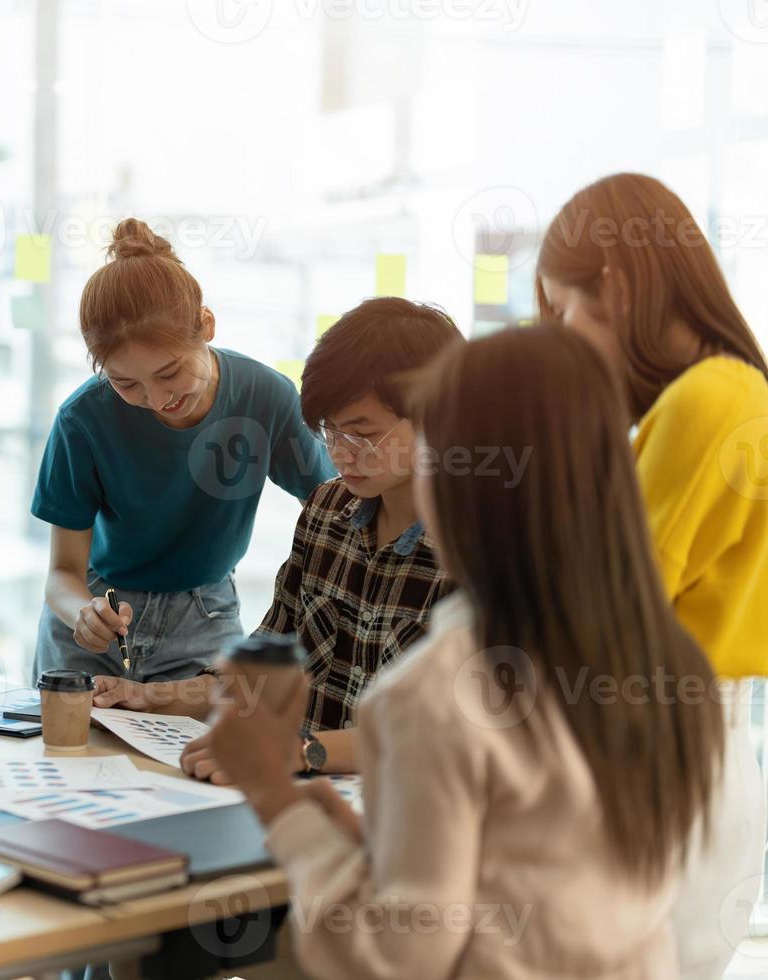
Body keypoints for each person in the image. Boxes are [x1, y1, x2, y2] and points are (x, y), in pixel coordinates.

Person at [210, 326, 725, 979]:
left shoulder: (435, 694)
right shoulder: (671, 661)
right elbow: (536, 874)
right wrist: (373, 846)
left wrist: (272, 795)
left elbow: (391, 962)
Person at [537, 171, 768, 979]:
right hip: (694, 745)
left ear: (618, 285)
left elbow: (604, 610)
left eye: (564, 309)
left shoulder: (709, 400)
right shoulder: (730, 392)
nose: (561, 334)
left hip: (661, 753)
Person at [96, 297, 460, 776]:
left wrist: (300, 753)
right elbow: (265, 673)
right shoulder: (328, 511)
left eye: (361, 434)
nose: (340, 453)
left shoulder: (478, 546)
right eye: (328, 431)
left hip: (413, 811)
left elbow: (453, 732)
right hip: (301, 798)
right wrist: (151, 696)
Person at [32, 218, 332, 686]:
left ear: (206, 325)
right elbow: (62, 573)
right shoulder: (82, 419)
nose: (155, 398)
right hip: (98, 616)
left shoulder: (266, 397)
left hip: (205, 618)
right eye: (126, 383)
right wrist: (83, 615)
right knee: (73, 753)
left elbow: (330, 509)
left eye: (170, 373)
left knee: (199, 755)